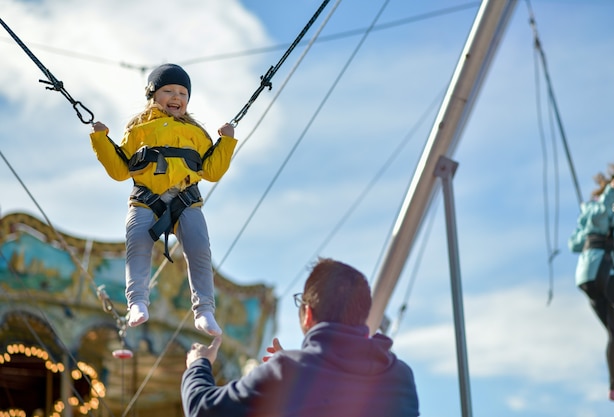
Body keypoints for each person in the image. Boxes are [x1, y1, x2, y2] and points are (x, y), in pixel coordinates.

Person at [90, 63, 237, 335]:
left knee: (199, 249)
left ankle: (204, 309)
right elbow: (121, 170)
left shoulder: (196, 133)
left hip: (186, 200)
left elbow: (212, 170)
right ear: (153, 96)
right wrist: (101, 139)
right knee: (138, 243)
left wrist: (226, 142)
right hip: (146, 198)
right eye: (168, 90)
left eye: (183, 93)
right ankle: (136, 302)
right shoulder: (138, 130)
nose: (176, 97)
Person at [181, 258, 420, 417]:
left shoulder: (285, 370)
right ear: (363, 315)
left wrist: (198, 365)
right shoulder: (400, 377)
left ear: (308, 313)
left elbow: (202, 409)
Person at [568, 164, 614, 404]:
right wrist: (611, 193)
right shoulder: (601, 206)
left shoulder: (603, 214)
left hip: (589, 279)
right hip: (600, 271)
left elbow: (575, 243)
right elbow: (597, 215)